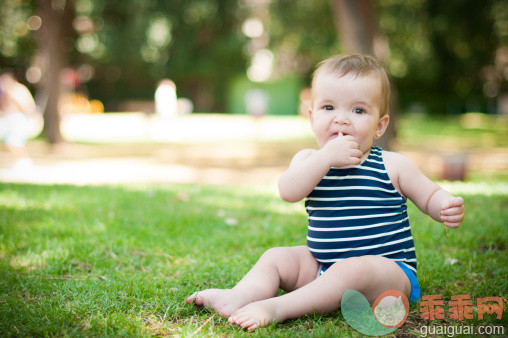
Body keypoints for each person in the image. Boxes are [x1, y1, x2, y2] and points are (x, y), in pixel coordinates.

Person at [186, 54, 465, 330]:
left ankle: (277, 307)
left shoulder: (392, 165)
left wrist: (444, 205)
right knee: (276, 258)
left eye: (358, 111)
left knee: (353, 269)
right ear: (311, 116)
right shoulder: (310, 161)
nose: (341, 120)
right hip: (323, 265)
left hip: (388, 274)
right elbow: (288, 190)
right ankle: (239, 297)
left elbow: (428, 195)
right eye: (328, 107)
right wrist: (326, 158)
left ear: (379, 125)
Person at [0, 71, 38, 170]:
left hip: (17, 118)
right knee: (11, 140)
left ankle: (24, 160)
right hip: (12, 118)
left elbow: (25, 104)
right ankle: (18, 160)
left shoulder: (16, 89)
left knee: (15, 140)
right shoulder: (10, 90)